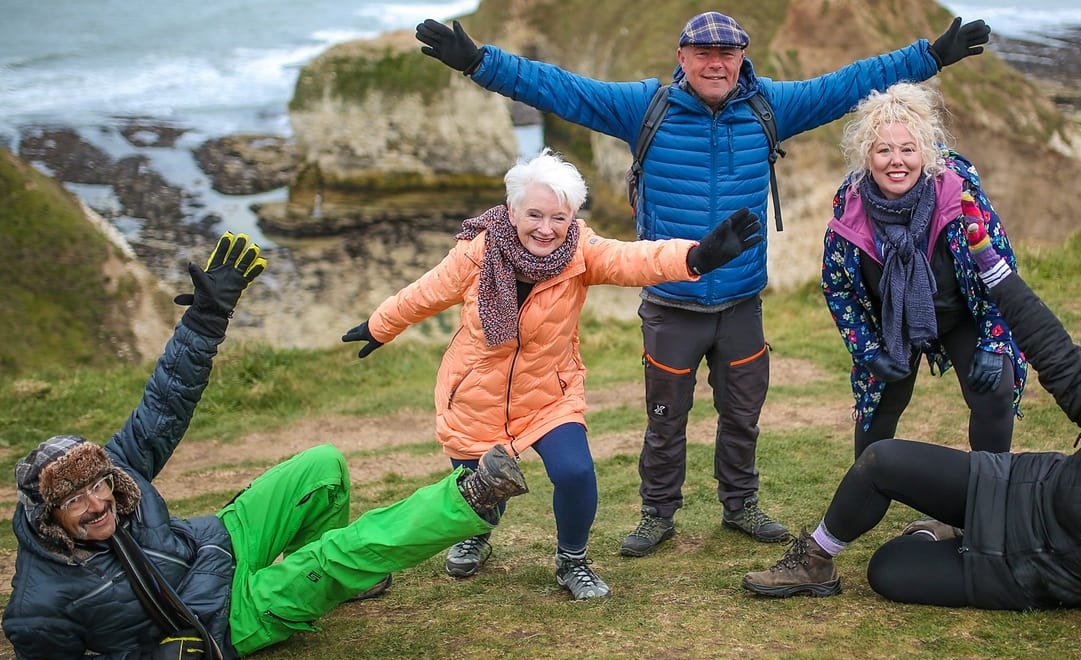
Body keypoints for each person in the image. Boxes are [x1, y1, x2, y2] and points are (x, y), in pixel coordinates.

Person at [415, 10, 993, 558]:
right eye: (703, 53)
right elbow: (559, 88)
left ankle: (740, 505)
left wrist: (932, 56)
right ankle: (658, 514)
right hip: (672, 303)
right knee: (665, 419)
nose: (715, 63)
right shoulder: (646, 107)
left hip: (742, 301)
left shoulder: (771, 107)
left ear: (743, 57)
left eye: (727, 53)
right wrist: (477, 62)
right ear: (682, 57)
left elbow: (849, 84)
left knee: (743, 413)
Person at [3, 232, 531, 660]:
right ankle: (469, 496)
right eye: (74, 500)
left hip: (221, 542)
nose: (97, 504)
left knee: (322, 467)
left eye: (96, 487)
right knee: (333, 554)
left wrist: (207, 317)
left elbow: (166, 402)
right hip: (226, 618)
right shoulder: (37, 601)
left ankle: (336, 582)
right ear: (49, 516)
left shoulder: (117, 475)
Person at [742, 218, 1081, 660]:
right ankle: (815, 561)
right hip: (1009, 490)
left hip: (1018, 578)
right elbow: (1058, 355)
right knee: (882, 460)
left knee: (887, 571)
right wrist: (995, 272)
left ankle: (940, 529)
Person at [341, 150, 762, 599]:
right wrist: (379, 325)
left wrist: (694, 258)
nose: (546, 228)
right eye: (535, 215)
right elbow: (426, 292)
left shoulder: (579, 252)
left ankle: (572, 561)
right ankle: (476, 535)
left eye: (558, 217)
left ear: (572, 218)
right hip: (474, 393)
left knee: (575, 472)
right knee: (478, 489)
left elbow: (631, 259)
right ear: (512, 212)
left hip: (548, 392)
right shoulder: (478, 252)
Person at [822, 81, 1026, 463]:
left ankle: (989, 490)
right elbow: (836, 288)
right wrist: (868, 351)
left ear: (925, 154)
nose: (896, 161)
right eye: (883, 150)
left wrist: (994, 342)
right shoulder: (850, 210)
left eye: (907, 149)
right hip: (891, 319)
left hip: (960, 313)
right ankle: (865, 488)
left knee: (994, 389)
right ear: (867, 156)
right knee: (882, 399)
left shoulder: (960, 198)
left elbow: (1001, 270)